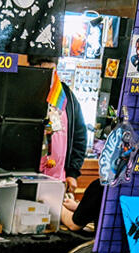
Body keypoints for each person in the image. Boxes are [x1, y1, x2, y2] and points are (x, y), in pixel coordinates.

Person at [28, 56, 88, 195]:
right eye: (42, 71)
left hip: (58, 178)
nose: (47, 76)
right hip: (27, 177)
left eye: (51, 70)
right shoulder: (25, 92)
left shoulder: (66, 95)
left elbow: (79, 135)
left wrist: (72, 173)